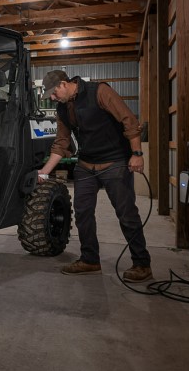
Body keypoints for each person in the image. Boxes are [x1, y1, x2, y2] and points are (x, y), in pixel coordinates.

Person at [37, 70, 152, 283]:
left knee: (126, 214)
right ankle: (90, 260)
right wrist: (44, 172)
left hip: (115, 162)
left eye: (53, 94)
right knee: (82, 213)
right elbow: (61, 143)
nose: (52, 98)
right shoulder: (63, 108)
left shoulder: (99, 91)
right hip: (86, 164)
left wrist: (137, 154)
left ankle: (142, 263)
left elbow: (129, 120)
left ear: (64, 84)